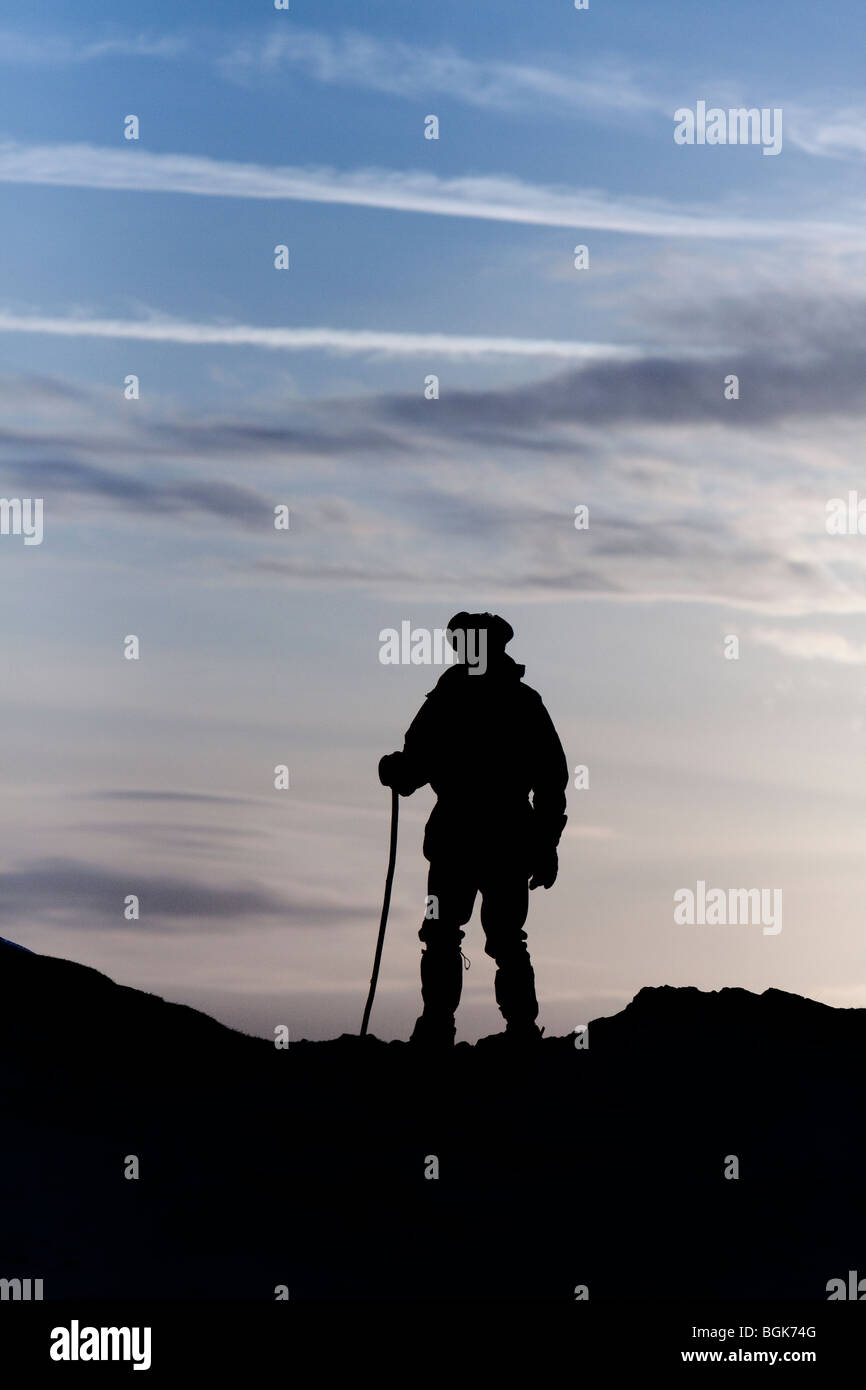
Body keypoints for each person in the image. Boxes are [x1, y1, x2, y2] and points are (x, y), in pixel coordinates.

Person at [378, 612, 568, 1048]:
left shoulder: (463, 701)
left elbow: (551, 780)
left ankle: (481, 1028)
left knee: (469, 934)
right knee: (472, 934)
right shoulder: (500, 701)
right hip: (487, 838)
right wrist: (545, 844)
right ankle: (489, 1028)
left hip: (474, 837)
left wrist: (545, 844)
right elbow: (416, 767)